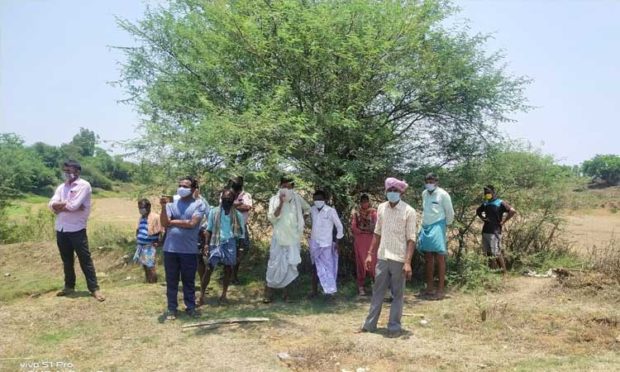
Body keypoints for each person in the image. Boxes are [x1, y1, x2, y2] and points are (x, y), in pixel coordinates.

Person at [359, 177, 416, 338]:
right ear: (386, 192)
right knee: (378, 292)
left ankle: (394, 327)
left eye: (395, 190)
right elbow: (377, 232)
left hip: (399, 258)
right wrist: (370, 254)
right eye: (389, 190)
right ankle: (369, 325)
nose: (392, 193)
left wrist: (407, 262)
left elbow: (411, 239)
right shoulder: (381, 208)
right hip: (382, 256)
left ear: (401, 192)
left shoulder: (408, 211)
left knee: (397, 294)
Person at [48, 160, 105, 302]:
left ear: (78, 171)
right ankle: (69, 286)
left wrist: (60, 207)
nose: (67, 173)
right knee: (66, 260)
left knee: (85, 259)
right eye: (65, 171)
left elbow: (74, 206)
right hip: (61, 228)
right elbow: (50, 205)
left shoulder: (84, 185)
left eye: (70, 170)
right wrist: (63, 205)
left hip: (77, 229)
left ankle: (94, 289)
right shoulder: (61, 187)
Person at [160, 176, 207, 320]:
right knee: (171, 280)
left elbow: (192, 223)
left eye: (185, 186)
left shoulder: (199, 204)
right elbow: (164, 223)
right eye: (180, 185)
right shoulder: (170, 204)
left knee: (188, 281)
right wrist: (163, 207)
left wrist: (172, 221)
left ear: (193, 189)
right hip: (170, 249)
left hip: (189, 250)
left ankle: (190, 307)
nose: (182, 188)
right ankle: (171, 309)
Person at [263, 177, 311, 303]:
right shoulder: (274, 199)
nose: (286, 189)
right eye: (284, 186)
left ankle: (286, 295)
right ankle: (268, 294)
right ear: (280, 186)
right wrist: (281, 202)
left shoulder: (297, 198)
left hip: (293, 239)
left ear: (292, 188)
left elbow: (307, 209)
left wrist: (302, 221)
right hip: (278, 238)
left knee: (290, 265)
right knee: (274, 264)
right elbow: (273, 218)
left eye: (289, 187)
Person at [198, 189, 245, 305]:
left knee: (228, 269)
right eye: (224, 199)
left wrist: (240, 249)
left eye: (229, 199)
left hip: (230, 243)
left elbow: (241, 235)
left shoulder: (238, 215)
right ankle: (201, 296)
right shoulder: (214, 212)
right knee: (209, 268)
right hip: (216, 242)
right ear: (221, 199)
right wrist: (206, 245)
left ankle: (224, 295)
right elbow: (208, 229)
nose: (226, 201)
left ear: (233, 200)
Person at [417, 173, 454, 300]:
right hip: (426, 226)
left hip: (439, 225)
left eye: (431, 180)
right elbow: (425, 210)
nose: (429, 183)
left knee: (440, 257)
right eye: (427, 180)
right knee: (428, 257)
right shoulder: (424, 194)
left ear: (437, 181)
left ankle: (441, 289)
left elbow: (450, 212)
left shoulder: (443, 194)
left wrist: (445, 226)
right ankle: (430, 288)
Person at [308, 190, 344, 299]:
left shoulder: (330, 211)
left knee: (328, 268)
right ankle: (314, 291)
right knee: (314, 268)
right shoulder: (312, 210)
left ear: (325, 200)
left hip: (326, 244)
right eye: (315, 199)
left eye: (320, 199)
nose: (317, 201)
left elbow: (339, 227)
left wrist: (337, 242)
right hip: (314, 244)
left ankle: (331, 292)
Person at [475, 185, 516, 274]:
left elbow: (512, 211)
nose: (487, 194)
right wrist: (483, 218)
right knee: (489, 253)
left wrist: (503, 222)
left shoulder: (500, 202)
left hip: (495, 231)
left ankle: (504, 273)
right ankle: (491, 273)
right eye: (485, 193)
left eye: (489, 192)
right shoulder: (485, 203)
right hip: (485, 231)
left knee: (496, 252)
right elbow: (478, 211)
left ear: (493, 192)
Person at [351, 194, 378, 296]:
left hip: (372, 240)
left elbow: (377, 225)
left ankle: (375, 284)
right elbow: (353, 227)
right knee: (361, 263)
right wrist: (361, 231)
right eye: (362, 201)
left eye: (366, 201)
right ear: (360, 202)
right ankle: (361, 286)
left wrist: (370, 231)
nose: (364, 203)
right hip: (360, 240)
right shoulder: (356, 213)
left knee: (374, 262)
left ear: (369, 201)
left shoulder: (373, 212)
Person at [229, 176, 253, 285]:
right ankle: (229, 275)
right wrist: (238, 205)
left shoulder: (246, 195)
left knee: (243, 249)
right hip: (228, 227)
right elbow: (223, 206)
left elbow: (247, 207)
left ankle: (234, 274)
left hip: (242, 227)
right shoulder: (226, 193)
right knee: (229, 250)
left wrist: (232, 205)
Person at [133, 199, 163, 283]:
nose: (141, 210)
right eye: (139, 208)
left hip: (149, 245)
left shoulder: (155, 217)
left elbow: (161, 231)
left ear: (148, 207)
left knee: (150, 265)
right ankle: (148, 281)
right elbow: (139, 229)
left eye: (142, 207)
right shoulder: (141, 218)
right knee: (145, 265)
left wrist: (159, 242)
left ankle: (153, 282)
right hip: (141, 246)